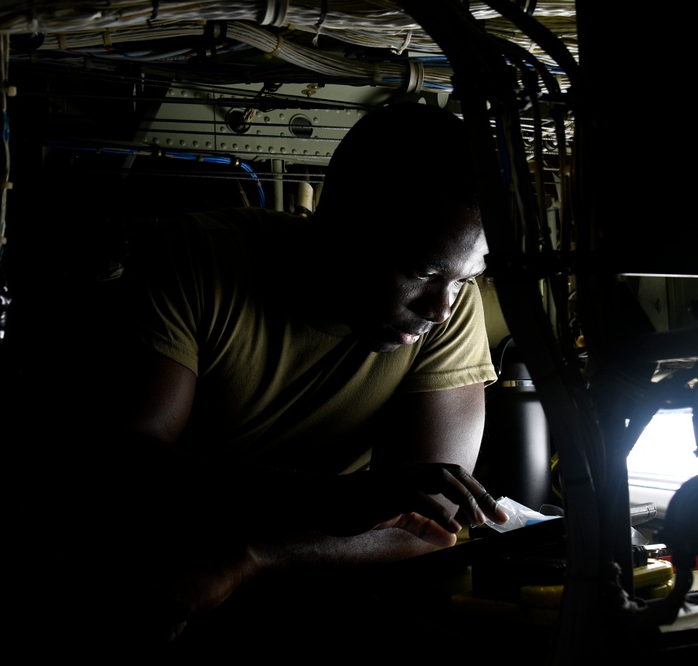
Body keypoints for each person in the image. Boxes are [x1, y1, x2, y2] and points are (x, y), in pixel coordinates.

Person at [116, 101, 509, 652]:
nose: (442, 307)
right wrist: (328, 500)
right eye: (422, 271)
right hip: (153, 566)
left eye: (466, 279)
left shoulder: (448, 305)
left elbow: (431, 528)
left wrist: (252, 557)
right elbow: (127, 466)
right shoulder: (197, 259)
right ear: (344, 222)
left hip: (315, 584)